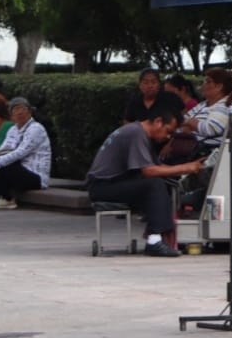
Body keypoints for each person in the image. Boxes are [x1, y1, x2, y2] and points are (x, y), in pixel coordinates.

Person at [86, 104, 206, 257]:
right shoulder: (136, 133)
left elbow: (157, 166)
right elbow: (149, 171)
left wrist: (185, 168)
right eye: (168, 131)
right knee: (153, 184)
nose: (168, 137)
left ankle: (162, 237)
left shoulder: (138, 132)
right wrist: (185, 168)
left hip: (112, 183)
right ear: (158, 122)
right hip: (102, 186)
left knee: (160, 184)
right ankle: (154, 241)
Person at [0, 97, 52, 210]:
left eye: (22, 109)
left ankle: (7, 199)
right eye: (15, 110)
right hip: (19, 172)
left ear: (29, 112)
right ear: (11, 115)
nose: (19, 113)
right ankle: (1, 198)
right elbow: (2, 150)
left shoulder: (36, 128)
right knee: (0, 161)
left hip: (36, 177)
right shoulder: (13, 130)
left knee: (5, 163)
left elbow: (21, 152)